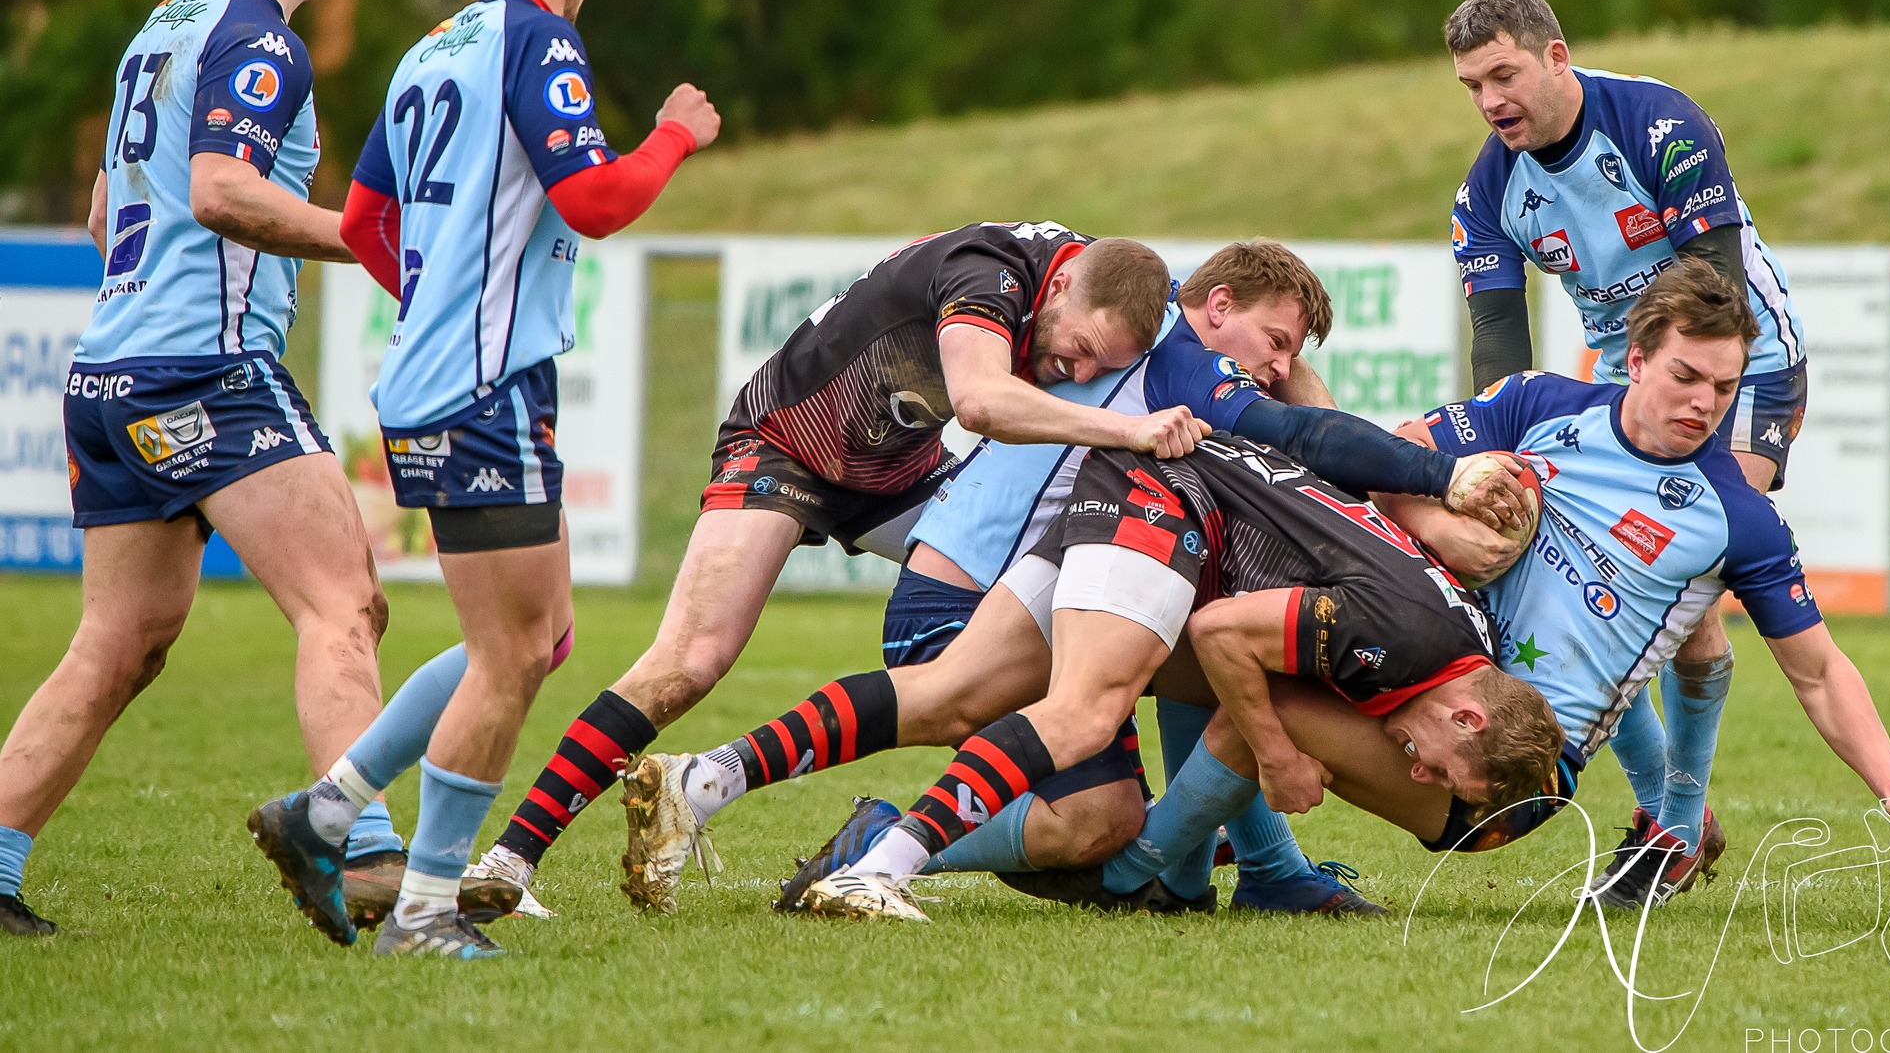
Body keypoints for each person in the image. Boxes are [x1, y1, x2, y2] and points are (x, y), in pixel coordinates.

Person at [583, 241, 1530, 917]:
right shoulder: (1182, 364)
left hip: (1020, 563)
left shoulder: (1151, 350)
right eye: (1275, 339)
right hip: (980, 585)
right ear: (1217, 303)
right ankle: (884, 853)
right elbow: (1307, 434)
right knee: (1095, 797)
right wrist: (1443, 479)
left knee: (1161, 710)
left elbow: (1303, 437)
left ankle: (717, 778)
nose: (1279, 366)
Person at [1091, 259, 1890, 914]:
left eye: (1723, 388)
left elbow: (1818, 671)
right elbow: (1385, 462)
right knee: (1193, 649)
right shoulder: (1538, 405)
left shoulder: (1736, 517)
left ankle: (1128, 876)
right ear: (1635, 357)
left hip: (1506, 773)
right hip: (1426, 671)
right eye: (1685, 376)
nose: (1703, 404)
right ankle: (1229, 871)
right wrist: (1444, 522)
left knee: (1259, 700)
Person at [246, 0, 721, 959]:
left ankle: (325, 811)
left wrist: (436, 299)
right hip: (481, 387)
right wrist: (671, 136)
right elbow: (593, 198)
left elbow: (361, 222)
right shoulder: (537, 40)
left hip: (450, 376)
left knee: (538, 638)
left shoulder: (428, 49)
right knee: (508, 654)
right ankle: (423, 909)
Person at [468, 222, 1201, 908]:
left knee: (994, 590)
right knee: (689, 661)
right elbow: (979, 401)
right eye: (1080, 349)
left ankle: (1087, 802)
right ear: (1063, 284)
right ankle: (508, 860)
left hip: (897, 469)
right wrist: (1128, 429)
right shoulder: (991, 272)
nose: (1078, 371)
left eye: (1101, 367)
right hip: (787, 444)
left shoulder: (1098, 280)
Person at [0, 0, 392, 938]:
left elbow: (102, 211)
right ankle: (366, 855)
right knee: (343, 602)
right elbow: (220, 191)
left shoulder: (163, 26)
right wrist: (370, 240)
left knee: (120, 641)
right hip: (204, 372)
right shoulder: (259, 37)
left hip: (110, 371)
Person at [791, 432, 1559, 922]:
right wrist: (1278, 757)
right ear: (1469, 717)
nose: (1419, 771)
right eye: (1443, 769)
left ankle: (1190, 878)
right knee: (1087, 789)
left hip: (1174, 525)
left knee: (1164, 746)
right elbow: (1222, 636)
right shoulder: (1402, 638)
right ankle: (884, 845)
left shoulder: (1454, 644)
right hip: (1150, 513)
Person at [1444, 0, 1810, 893]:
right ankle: (1674, 819)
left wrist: (1682, 398)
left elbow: (1718, 290)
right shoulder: (1487, 190)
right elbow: (1499, 339)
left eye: (1503, 75)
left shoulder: (1658, 125)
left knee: (1680, 592)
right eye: (1472, 86)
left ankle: (1674, 823)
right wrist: (1500, 455)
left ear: (1555, 57)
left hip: (1742, 365)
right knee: (1585, 598)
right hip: (1626, 379)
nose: (1489, 101)